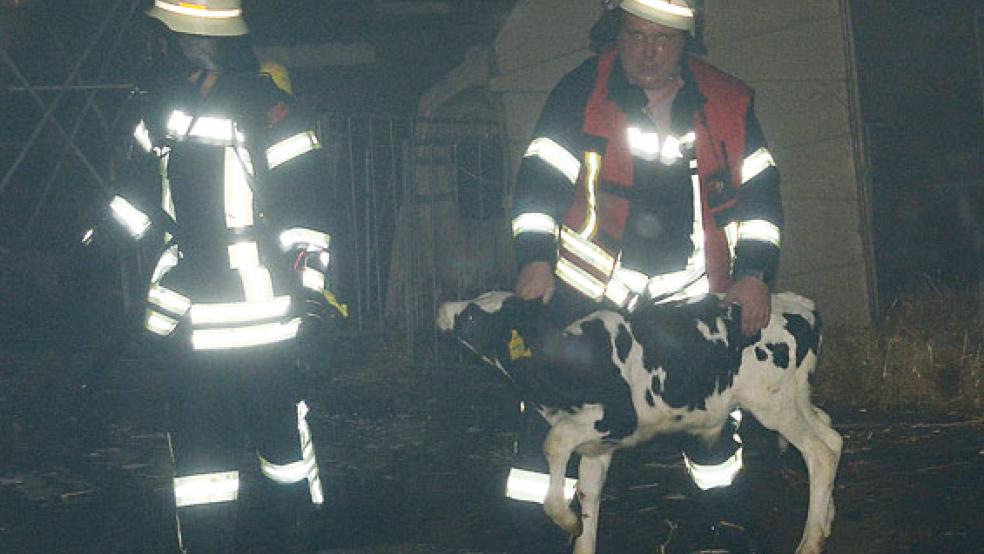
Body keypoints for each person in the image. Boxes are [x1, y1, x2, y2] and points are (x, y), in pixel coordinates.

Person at [508, 1, 782, 551]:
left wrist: (753, 275)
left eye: (662, 39)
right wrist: (535, 258)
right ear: (616, 33)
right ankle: (532, 536)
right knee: (550, 418)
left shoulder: (727, 101)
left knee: (709, 422)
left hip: (688, 299)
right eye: (635, 36)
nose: (647, 51)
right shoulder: (580, 93)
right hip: (587, 294)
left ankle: (722, 529)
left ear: (687, 43)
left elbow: (761, 201)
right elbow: (538, 184)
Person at [89, 1, 343, 551]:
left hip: (224, 322)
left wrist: (315, 309)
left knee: (234, 463)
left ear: (194, 41)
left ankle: (276, 538)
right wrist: (85, 257)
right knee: (243, 465)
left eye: (164, 36)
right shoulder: (194, 109)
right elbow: (137, 205)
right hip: (239, 321)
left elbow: (308, 220)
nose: (155, 48)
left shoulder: (241, 112)